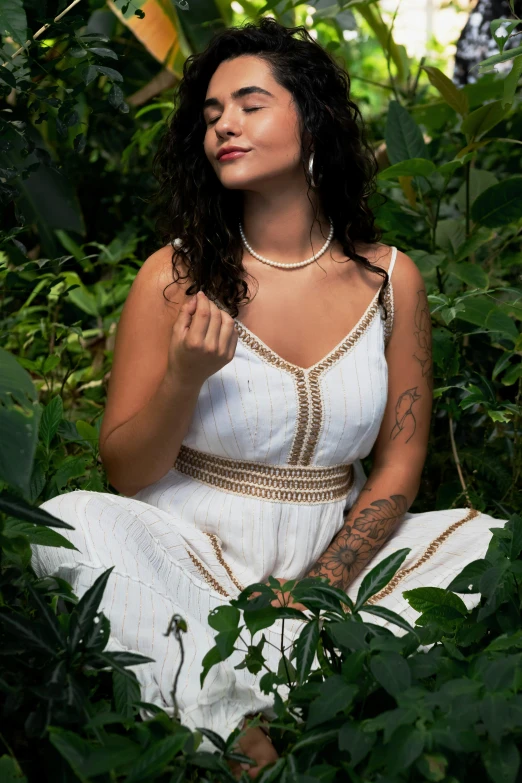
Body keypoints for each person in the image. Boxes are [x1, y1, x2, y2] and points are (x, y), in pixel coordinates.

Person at [32, 18, 508, 779]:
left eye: (249, 104)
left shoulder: (392, 281)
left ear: (311, 119)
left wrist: (321, 584)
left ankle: (265, 684)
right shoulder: (174, 274)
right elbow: (123, 468)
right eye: (213, 113)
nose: (224, 123)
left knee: (490, 543)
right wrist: (184, 375)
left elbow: (400, 464)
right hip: (190, 545)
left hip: (336, 556)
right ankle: (254, 719)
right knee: (73, 521)